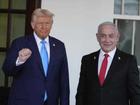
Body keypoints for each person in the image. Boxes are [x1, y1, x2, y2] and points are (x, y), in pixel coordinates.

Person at [2, 8, 69, 105]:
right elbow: (7, 70)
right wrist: (19, 60)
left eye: (47, 23)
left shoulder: (59, 46)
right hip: (24, 102)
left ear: (51, 25)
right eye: (40, 23)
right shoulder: (19, 43)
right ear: (33, 25)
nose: (44, 27)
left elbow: (64, 80)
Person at [76, 21, 140, 105]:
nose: (107, 40)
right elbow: (81, 92)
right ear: (97, 37)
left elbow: (135, 95)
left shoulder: (129, 61)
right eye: (103, 36)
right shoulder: (87, 60)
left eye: (111, 36)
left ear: (117, 37)